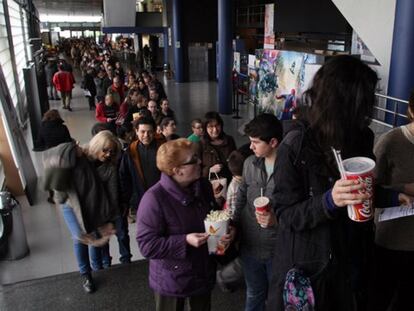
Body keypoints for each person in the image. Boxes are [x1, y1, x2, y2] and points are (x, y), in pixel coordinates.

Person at [266, 55, 411, 311]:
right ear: (343, 100)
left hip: (354, 257)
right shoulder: (296, 145)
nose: (370, 105)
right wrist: (329, 201)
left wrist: (391, 197)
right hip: (313, 269)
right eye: (365, 98)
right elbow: (285, 214)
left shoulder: (361, 136)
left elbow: (363, 188)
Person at [136, 138, 233, 311]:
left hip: (202, 270)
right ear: (177, 171)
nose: (200, 162)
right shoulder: (154, 199)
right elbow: (147, 246)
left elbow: (213, 213)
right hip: (171, 278)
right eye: (193, 160)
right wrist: (184, 241)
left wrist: (226, 229)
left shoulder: (203, 185)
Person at [43, 131, 121, 293]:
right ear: (98, 145)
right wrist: (72, 148)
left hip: (93, 207)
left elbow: (113, 193)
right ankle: (86, 274)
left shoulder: (109, 168)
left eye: (112, 152)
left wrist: (112, 217)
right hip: (72, 204)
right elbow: (59, 156)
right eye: (105, 150)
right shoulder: (79, 153)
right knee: (80, 238)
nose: (108, 154)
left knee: (92, 237)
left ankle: (95, 268)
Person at [368, 91, 414, 311]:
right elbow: (368, 191)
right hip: (391, 240)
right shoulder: (391, 141)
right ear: (411, 111)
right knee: (381, 298)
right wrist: (403, 188)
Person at [233, 114, 282, 311]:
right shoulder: (249, 164)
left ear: (273, 142)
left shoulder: (289, 171)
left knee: (277, 298)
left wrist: (276, 220)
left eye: (255, 142)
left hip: (277, 250)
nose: (251, 147)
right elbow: (242, 196)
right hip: (250, 246)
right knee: (254, 294)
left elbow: (299, 210)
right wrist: (233, 225)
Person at [119, 117, 165, 223]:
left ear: (154, 132)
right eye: (142, 132)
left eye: (149, 132)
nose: (146, 136)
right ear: (136, 132)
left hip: (162, 197)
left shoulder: (163, 149)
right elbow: (124, 177)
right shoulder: (130, 152)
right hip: (141, 199)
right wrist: (128, 200)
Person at [200, 111, 236, 182]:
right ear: (205, 128)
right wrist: (209, 170)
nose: (215, 129)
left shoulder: (229, 140)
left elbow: (235, 161)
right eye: (210, 126)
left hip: (228, 182)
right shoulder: (200, 145)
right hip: (208, 185)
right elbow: (195, 169)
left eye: (217, 125)